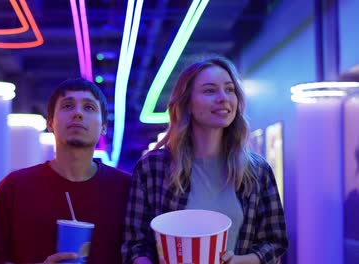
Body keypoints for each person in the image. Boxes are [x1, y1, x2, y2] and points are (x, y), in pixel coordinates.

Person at [122, 55, 288, 264]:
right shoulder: (152, 168)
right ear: (187, 104)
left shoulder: (257, 170)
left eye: (229, 89)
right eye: (210, 90)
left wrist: (238, 261)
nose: (223, 98)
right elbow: (134, 245)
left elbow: (275, 242)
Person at [0, 78, 131, 264]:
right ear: (50, 123)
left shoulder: (127, 189)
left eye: (89, 108)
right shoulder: (15, 187)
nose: (78, 113)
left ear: (103, 126)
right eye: (67, 106)